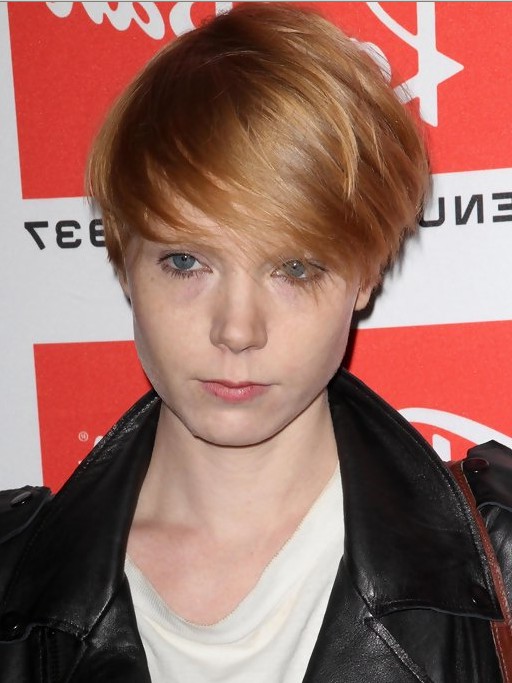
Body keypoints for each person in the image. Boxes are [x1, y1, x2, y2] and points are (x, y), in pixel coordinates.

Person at [0, 3, 511, 682]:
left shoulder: (501, 556)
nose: (237, 330)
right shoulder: (12, 572)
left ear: (364, 274)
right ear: (123, 260)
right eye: (186, 262)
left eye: (294, 268)